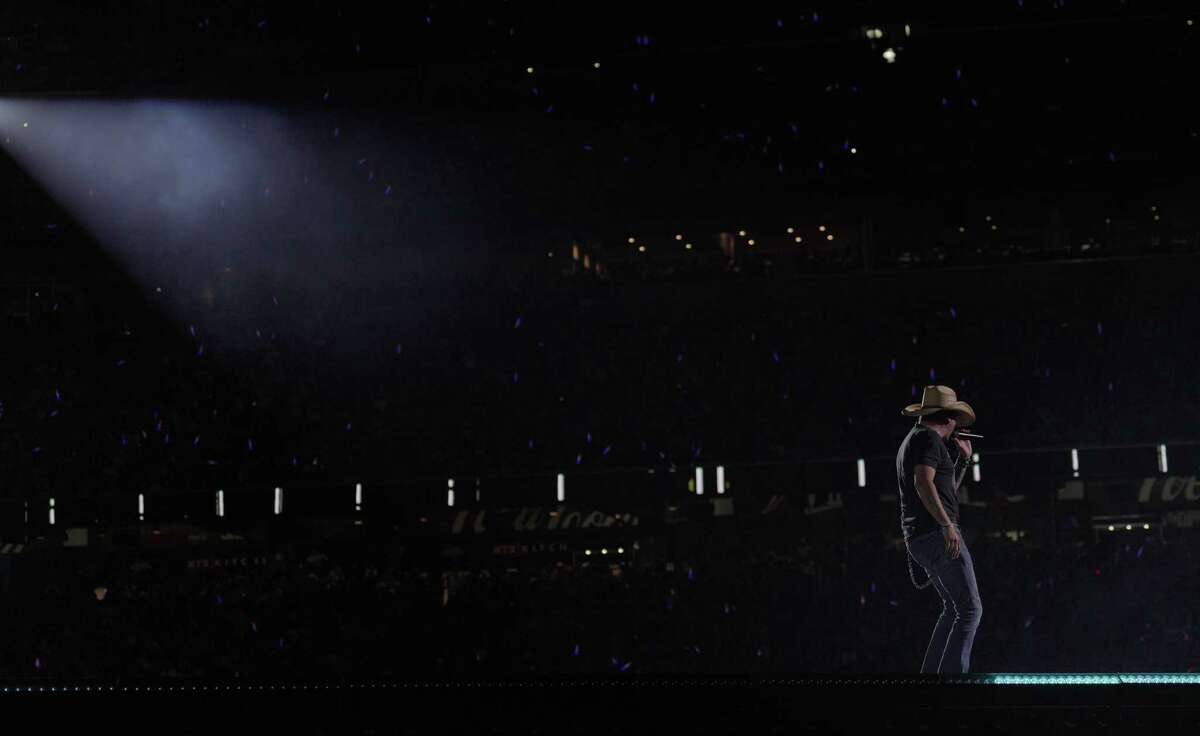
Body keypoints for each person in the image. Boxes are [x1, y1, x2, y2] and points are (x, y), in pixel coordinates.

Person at [895, 385, 982, 673]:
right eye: (956, 418)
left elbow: (945, 494)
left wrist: (963, 460)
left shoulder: (916, 440)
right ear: (947, 418)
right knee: (970, 610)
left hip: (921, 537)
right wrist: (947, 526)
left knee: (952, 608)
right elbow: (923, 483)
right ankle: (953, 682)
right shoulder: (929, 440)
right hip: (936, 535)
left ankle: (931, 677)